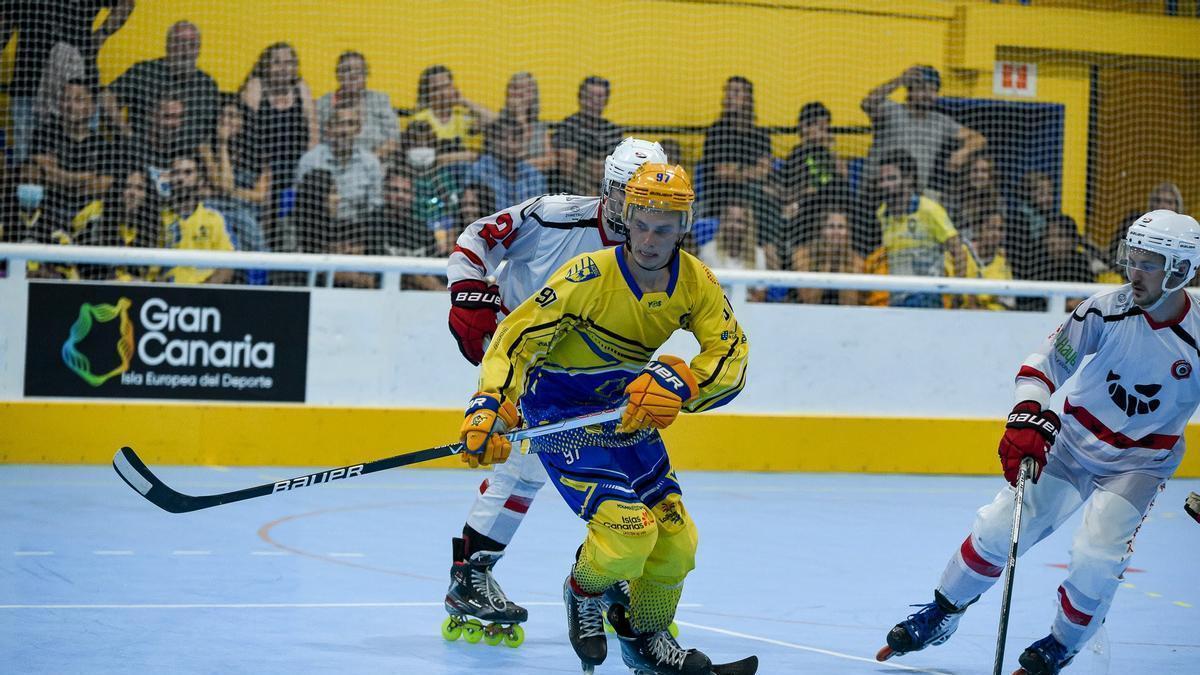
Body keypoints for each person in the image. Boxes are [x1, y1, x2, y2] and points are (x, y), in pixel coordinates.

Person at [878, 209, 1200, 675]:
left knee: (1096, 557)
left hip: (1140, 465)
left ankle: (1062, 645)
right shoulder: (1105, 309)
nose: (1134, 272)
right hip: (1071, 443)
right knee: (994, 529)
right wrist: (1028, 411)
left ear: (1182, 271)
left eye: (1149, 263)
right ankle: (944, 613)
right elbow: (1045, 363)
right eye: (1132, 258)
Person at [456, 163, 749, 674]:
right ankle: (582, 590)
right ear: (626, 218)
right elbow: (513, 340)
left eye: (665, 227)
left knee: (679, 542)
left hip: (624, 412)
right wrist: (490, 404)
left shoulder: (697, 281)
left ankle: (645, 641)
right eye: (642, 224)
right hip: (559, 413)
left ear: (685, 226)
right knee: (628, 532)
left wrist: (683, 385)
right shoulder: (587, 275)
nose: (651, 239)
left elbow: (731, 354)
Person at [440, 137, 668, 643]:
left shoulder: (658, 251)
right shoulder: (551, 217)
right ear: (609, 192)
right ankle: (470, 574)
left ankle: (605, 568)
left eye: (655, 203)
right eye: (634, 199)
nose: (644, 214)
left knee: (616, 468)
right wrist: (469, 291)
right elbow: (476, 237)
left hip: (594, 379)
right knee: (524, 469)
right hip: (526, 365)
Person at [0, 0, 134, 165]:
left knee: (84, 160)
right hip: (29, 82)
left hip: (79, 86)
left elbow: (126, 3)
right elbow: (5, 19)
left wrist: (102, 34)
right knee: (28, 160)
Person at [861, 64, 985, 200]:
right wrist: (900, 80)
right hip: (877, 191)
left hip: (911, 196)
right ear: (910, 91)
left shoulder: (940, 121)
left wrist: (963, 152)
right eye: (922, 89)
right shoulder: (891, 110)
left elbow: (978, 138)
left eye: (933, 90)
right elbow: (868, 103)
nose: (928, 95)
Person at [101, 20, 218, 149]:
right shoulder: (144, 72)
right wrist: (126, 133)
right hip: (141, 156)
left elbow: (209, 134)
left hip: (187, 162)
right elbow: (106, 97)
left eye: (192, 44)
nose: (186, 50)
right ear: (168, 45)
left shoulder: (207, 85)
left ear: (199, 48)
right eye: (180, 42)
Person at [875, 148, 966, 307]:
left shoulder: (929, 210)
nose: (885, 185)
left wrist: (958, 293)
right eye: (881, 180)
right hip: (896, 297)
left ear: (909, 178)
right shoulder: (882, 213)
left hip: (927, 297)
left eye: (891, 178)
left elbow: (958, 252)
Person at [200, 95, 270, 252]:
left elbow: (260, 195)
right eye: (223, 115)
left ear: (243, 122)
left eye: (233, 116)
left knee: (240, 213)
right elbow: (224, 185)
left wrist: (232, 193)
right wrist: (222, 144)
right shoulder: (206, 148)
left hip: (248, 210)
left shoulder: (258, 153)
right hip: (216, 209)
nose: (226, 120)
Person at [159, 153, 234, 285]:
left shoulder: (214, 218)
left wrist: (203, 292)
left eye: (188, 172)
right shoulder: (158, 217)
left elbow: (227, 266)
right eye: (176, 173)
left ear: (200, 180)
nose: (181, 178)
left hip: (204, 294)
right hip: (164, 292)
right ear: (169, 178)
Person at [315, 51, 400, 159]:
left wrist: (367, 161)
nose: (353, 76)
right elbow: (317, 142)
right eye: (347, 70)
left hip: (375, 163)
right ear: (338, 75)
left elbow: (393, 140)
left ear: (366, 75)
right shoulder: (323, 104)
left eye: (359, 71)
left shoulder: (380, 100)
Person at [551, 75, 622, 195]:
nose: (594, 101)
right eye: (590, 96)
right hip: (571, 187)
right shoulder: (568, 125)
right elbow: (567, 165)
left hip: (605, 184)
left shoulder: (612, 130)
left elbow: (616, 168)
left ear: (606, 101)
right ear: (580, 98)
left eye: (599, 97)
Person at [462, 115, 546, 211]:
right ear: (493, 141)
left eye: (515, 139)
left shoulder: (535, 175)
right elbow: (471, 210)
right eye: (503, 139)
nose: (509, 144)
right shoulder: (480, 169)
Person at [792, 205, 865, 306]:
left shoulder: (857, 261)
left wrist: (841, 264)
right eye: (831, 226)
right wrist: (827, 262)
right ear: (821, 230)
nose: (836, 232)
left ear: (848, 232)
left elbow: (851, 304)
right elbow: (808, 300)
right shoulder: (803, 254)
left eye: (840, 227)